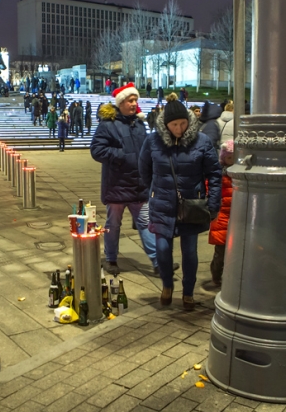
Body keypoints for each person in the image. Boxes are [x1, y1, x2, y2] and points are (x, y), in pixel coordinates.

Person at [139, 96, 221, 310]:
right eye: (174, 124)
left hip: (191, 205)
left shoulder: (201, 141)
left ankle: (188, 292)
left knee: (190, 252)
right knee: (163, 249)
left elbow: (214, 173)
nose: (179, 128)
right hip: (162, 204)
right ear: (165, 124)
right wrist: (154, 191)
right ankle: (167, 285)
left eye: (183, 123)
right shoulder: (153, 141)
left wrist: (213, 204)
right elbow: (144, 169)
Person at [90, 82, 159, 275]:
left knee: (146, 223)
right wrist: (122, 156)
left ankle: (158, 262)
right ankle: (111, 259)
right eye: (130, 100)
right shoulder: (108, 124)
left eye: (135, 100)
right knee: (113, 225)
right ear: (121, 103)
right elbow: (97, 150)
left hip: (138, 186)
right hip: (117, 186)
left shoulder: (139, 124)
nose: (133, 103)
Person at [207, 140, 233, 287]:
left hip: (236, 217)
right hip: (222, 217)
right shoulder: (219, 175)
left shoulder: (239, 175)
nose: (232, 161)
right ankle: (216, 275)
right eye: (229, 158)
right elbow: (211, 189)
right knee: (221, 252)